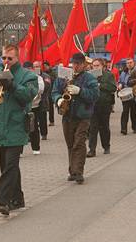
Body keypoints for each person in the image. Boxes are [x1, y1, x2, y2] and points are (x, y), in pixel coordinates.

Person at [0, 44, 38, 216]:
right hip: (0, 125)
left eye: (9, 58)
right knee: (6, 165)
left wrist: (12, 85)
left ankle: (4, 201)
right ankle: (18, 198)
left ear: (17, 58)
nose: (6, 61)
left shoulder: (27, 75)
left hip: (18, 125)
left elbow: (29, 96)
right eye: (4, 58)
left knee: (10, 165)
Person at [52, 52, 99, 184]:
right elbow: (54, 91)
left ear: (84, 64)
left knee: (79, 143)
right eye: (74, 64)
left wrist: (80, 91)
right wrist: (58, 100)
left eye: (78, 64)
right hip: (67, 114)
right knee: (70, 144)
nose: (75, 66)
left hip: (83, 115)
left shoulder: (90, 79)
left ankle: (78, 172)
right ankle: (72, 171)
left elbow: (95, 96)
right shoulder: (64, 76)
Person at [87, 58, 116, 157]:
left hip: (105, 104)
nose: (95, 67)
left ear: (102, 66)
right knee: (92, 128)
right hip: (93, 105)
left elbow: (113, 88)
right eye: (93, 66)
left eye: (97, 65)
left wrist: (100, 85)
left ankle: (106, 146)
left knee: (104, 127)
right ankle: (92, 150)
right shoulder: (89, 76)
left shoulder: (108, 75)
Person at [23, 61, 45, 155]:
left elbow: (41, 88)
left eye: (29, 69)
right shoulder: (20, 78)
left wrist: (30, 87)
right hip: (22, 106)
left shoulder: (37, 77)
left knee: (34, 127)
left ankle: (36, 148)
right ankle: (19, 150)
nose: (27, 71)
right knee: (21, 128)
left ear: (32, 69)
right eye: (25, 69)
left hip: (34, 105)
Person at [118, 58, 136, 135]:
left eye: (130, 62)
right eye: (127, 63)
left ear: (134, 63)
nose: (129, 64)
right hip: (125, 94)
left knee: (134, 112)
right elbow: (121, 81)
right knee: (125, 112)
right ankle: (123, 129)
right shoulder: (123, 72)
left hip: (134, 94)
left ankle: (135, 127)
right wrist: (120, 84)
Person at [34, 61, 52, 140]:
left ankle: (44, 134)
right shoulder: (31, 75)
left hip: (42, 100)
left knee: (42, 119)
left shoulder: (46, 76)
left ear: (40, 66)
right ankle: (33, 135)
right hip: (33, 101)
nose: (36, 68)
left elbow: (47, 86)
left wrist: (39, 81)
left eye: (37, 66)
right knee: (33, 119)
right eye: (34, 66)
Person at [43, 61, 57, 126]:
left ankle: (52, 121)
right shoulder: (43, 73)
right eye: (44, 66)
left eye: (46, 66)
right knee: (44, 109)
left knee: (51, 108)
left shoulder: (53, 72)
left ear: (49, 66)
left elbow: (55, 80)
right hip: (44, 93)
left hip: (51, 92)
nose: (45, 68)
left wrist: (48, 77)